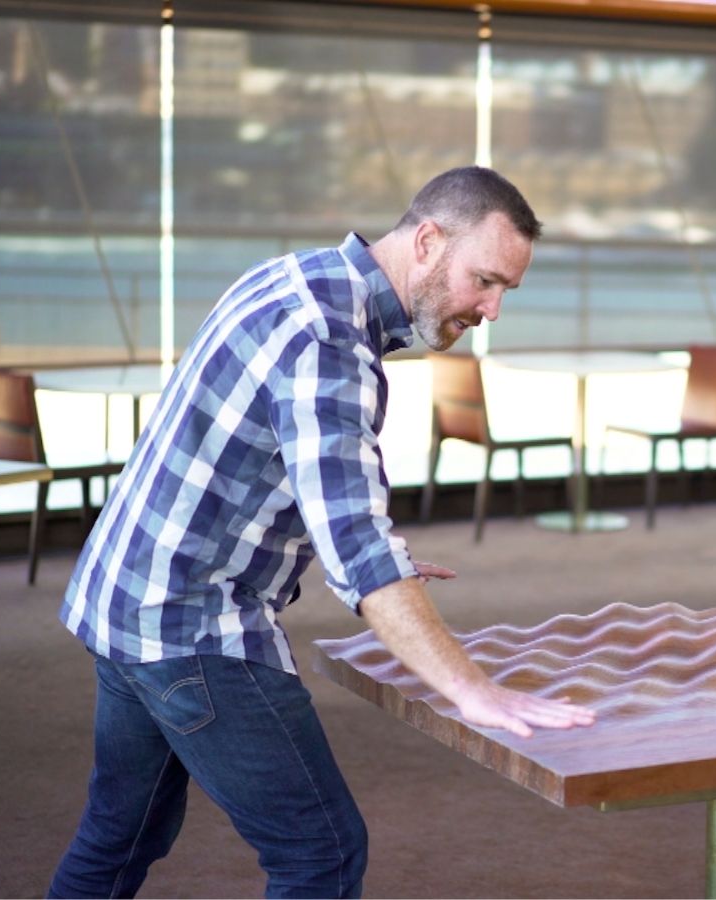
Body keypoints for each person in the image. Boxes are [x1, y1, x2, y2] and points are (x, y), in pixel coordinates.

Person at [47, 166, 596, 899]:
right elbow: (359, 549)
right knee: (322, 853)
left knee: (120, 834)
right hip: (189, 624)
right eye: (484, 280)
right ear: (428, 240)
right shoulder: (329, 342)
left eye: (506, 292)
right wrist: (474, 691)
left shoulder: (297, 279)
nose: (492, 309)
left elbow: (267, 467)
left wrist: (378, 562)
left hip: (126, 598)